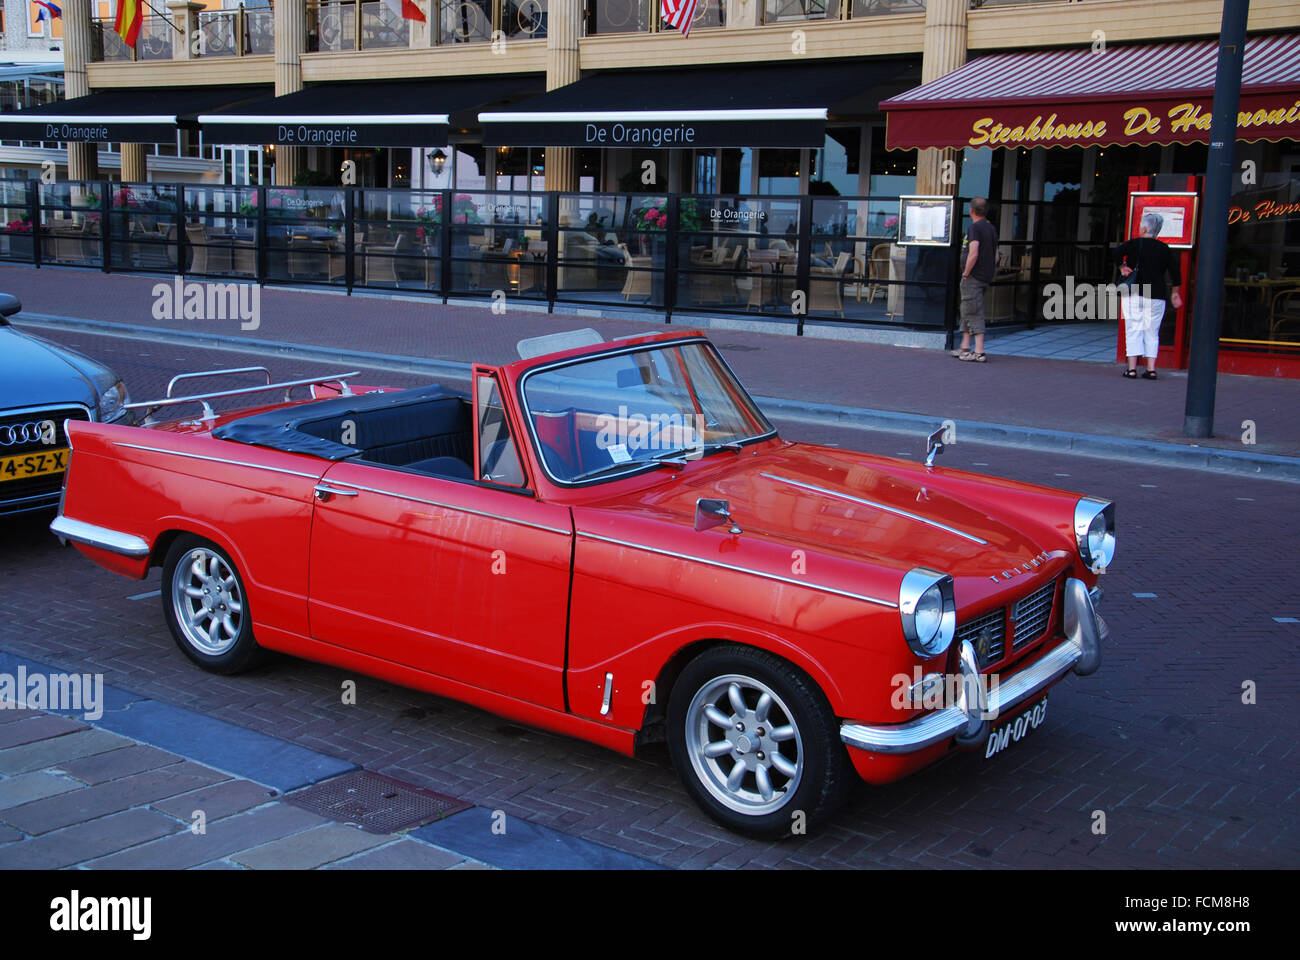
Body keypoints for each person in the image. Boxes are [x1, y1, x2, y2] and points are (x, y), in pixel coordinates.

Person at [1114, 212, 1183, 379]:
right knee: (1152, 331)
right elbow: (1175, 273)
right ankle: (1151, 369)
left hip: (1135, 292)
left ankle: (1131, 369)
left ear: (1144, 228)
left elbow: (1116, 252)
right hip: (1157, 294)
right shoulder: (1164, 249)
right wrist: (1175, 293)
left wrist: (1122, 266)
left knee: (1133, 328)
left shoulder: (1134, 244)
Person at [954, 197, 998, 362]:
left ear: (971, 211)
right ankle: (965, 347)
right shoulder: (991, 228)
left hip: (973, 276)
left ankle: (979, 351)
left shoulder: (975, 228)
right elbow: (996, 255)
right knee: (966, 308)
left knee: (973, 310)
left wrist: (966, 272)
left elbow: (974, 252)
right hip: (984, 275)